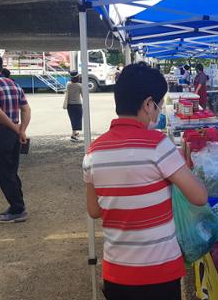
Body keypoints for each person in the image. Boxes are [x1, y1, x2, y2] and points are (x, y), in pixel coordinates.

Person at [83, 63, 207, 300]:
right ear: (149, 104)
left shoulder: (93, 152)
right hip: (159, 272)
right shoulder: (158, 145)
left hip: (117, 273)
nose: (158, 111)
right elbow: (199, 197)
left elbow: (94, 210)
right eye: (159, 105)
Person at [0, 53, 31, 223]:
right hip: (14, 133)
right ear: (1, 67)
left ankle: (18, 209)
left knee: (4, 173)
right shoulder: (14, 84)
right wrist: (21, 130)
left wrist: (16, 129)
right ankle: (17, 205)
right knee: (11, 171)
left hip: (1, 132)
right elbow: (26, 109)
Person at [63, 71, 82, 142]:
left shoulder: (68, 84)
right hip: (77, 104)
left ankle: (75, 132)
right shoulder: (80, 85)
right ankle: (73, 135)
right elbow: (83, 95)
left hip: (69, 105)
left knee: (73, 119)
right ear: (78, 77)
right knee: (77, 119)